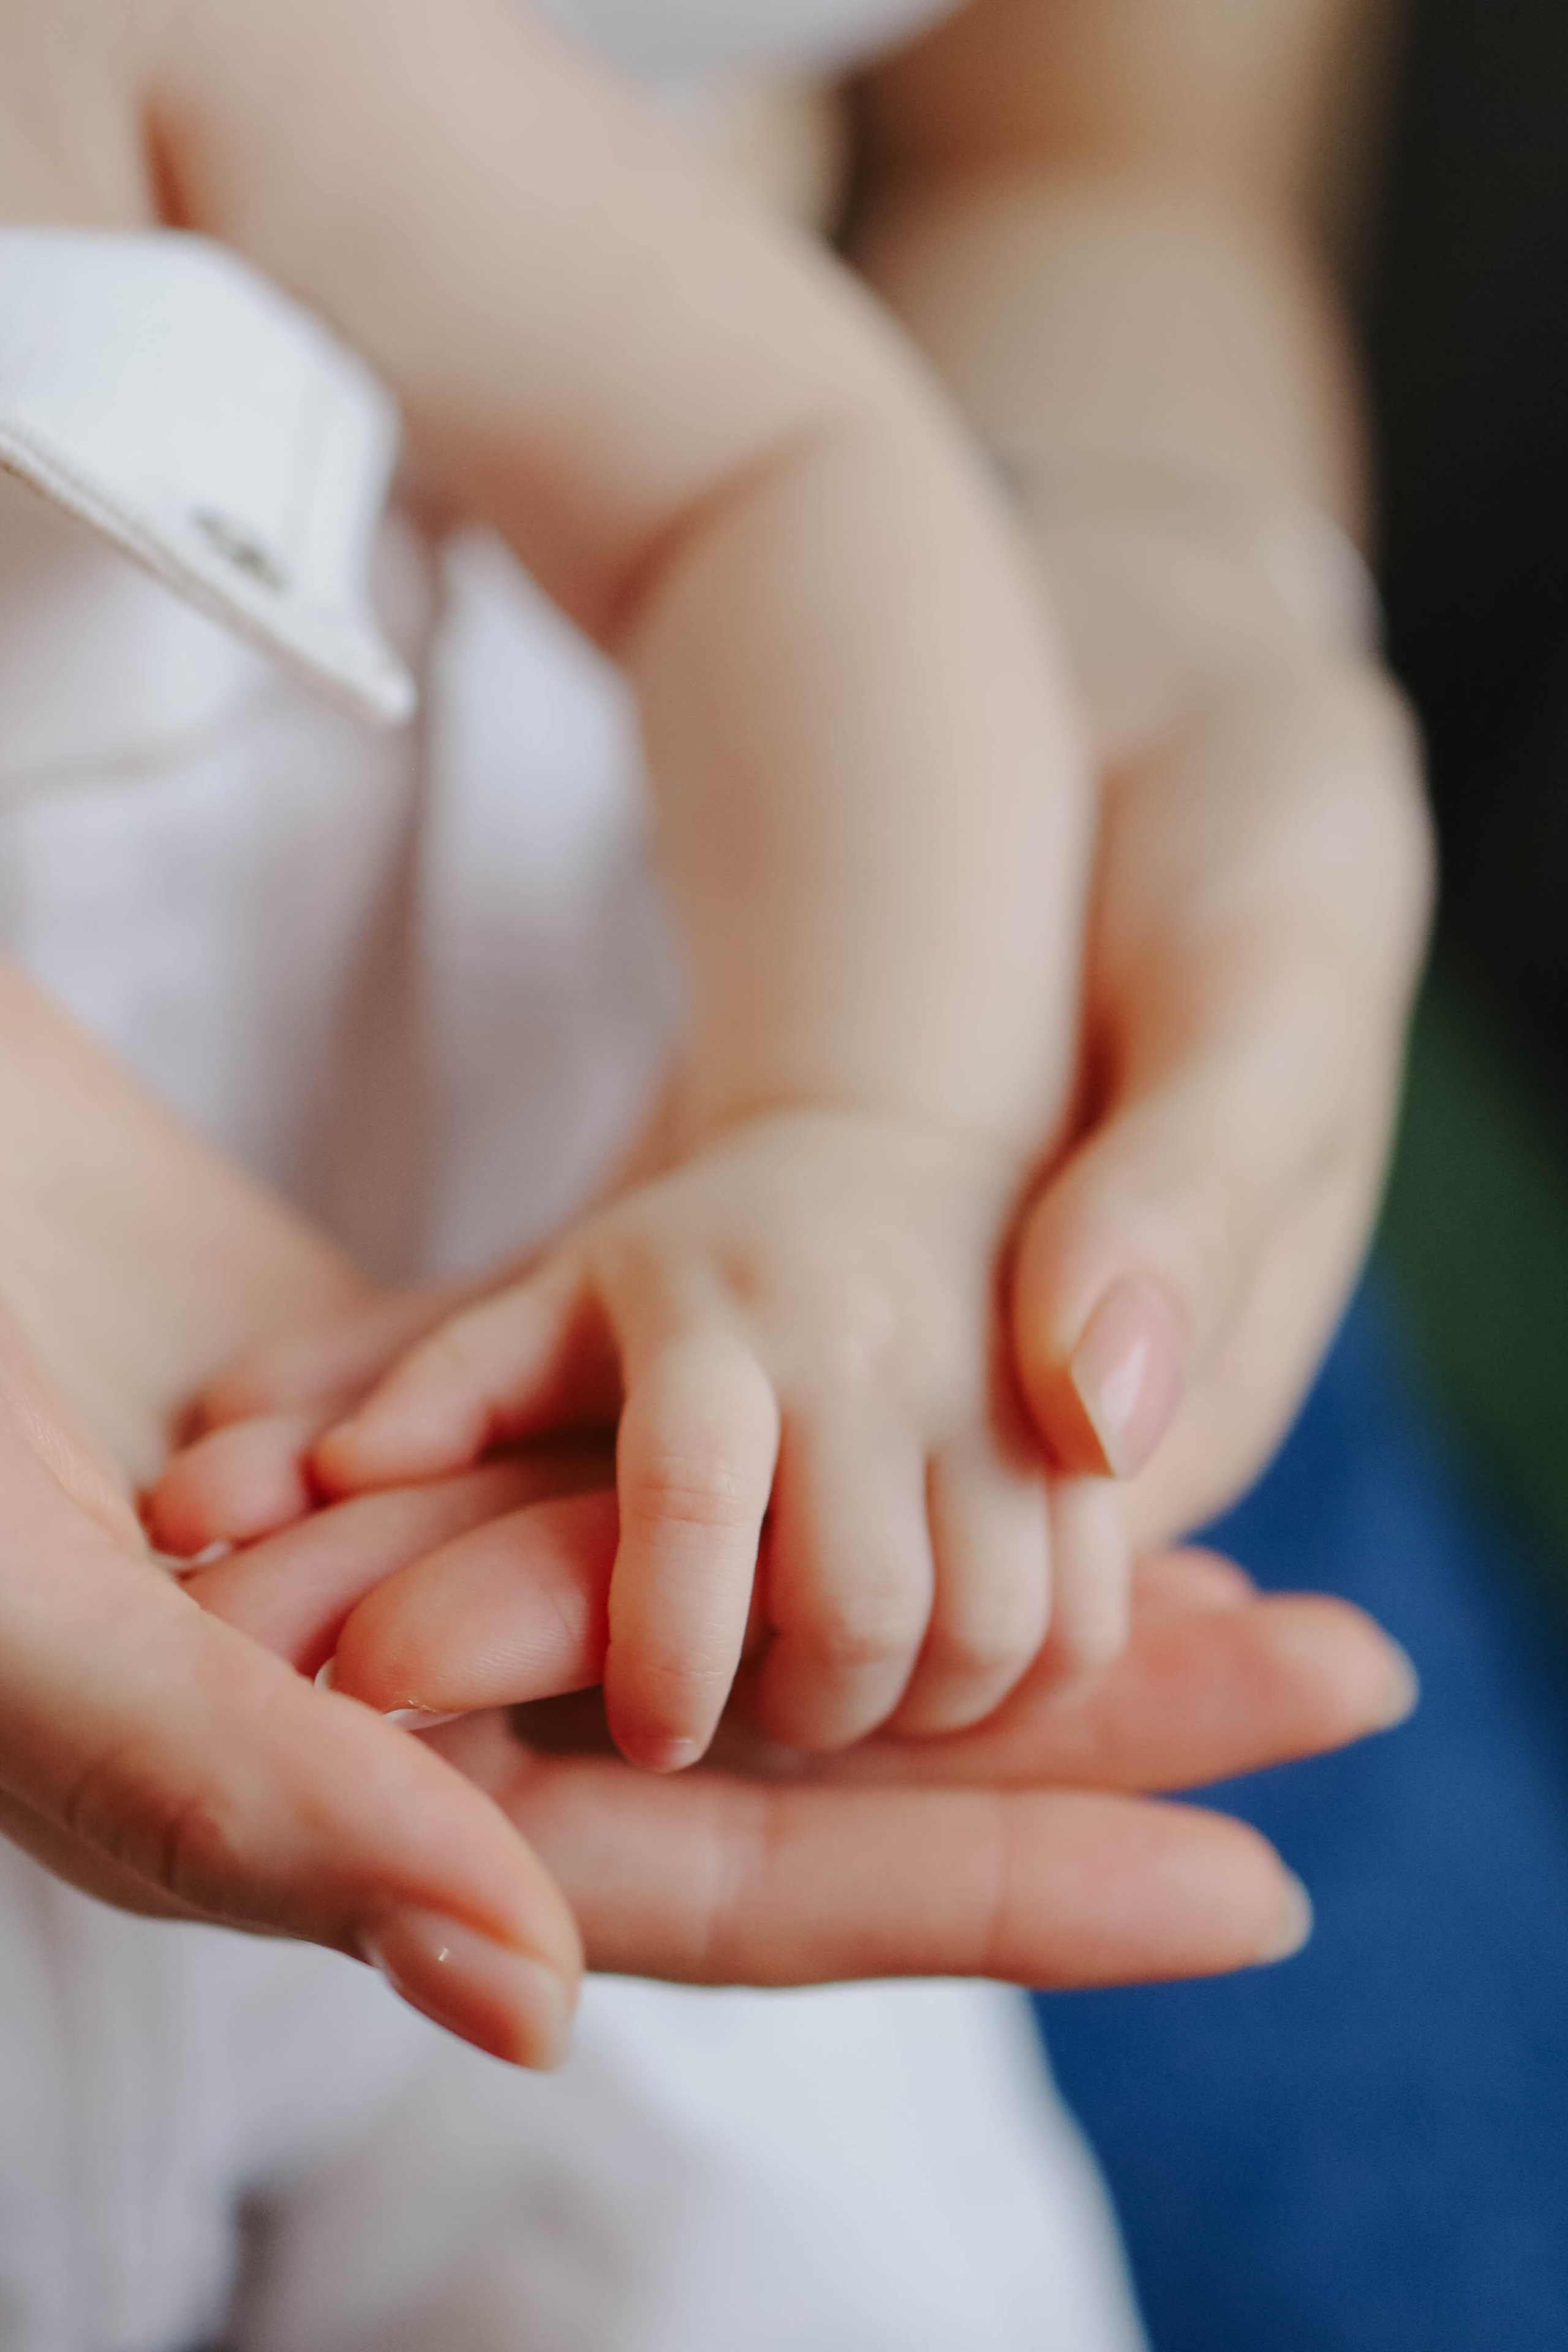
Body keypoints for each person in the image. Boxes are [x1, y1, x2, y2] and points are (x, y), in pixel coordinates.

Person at [0, 0, 1422, 2344]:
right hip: (270, 1505)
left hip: (539, 1460)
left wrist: (864, 1121)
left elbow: (776, 471)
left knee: (775, 2249)